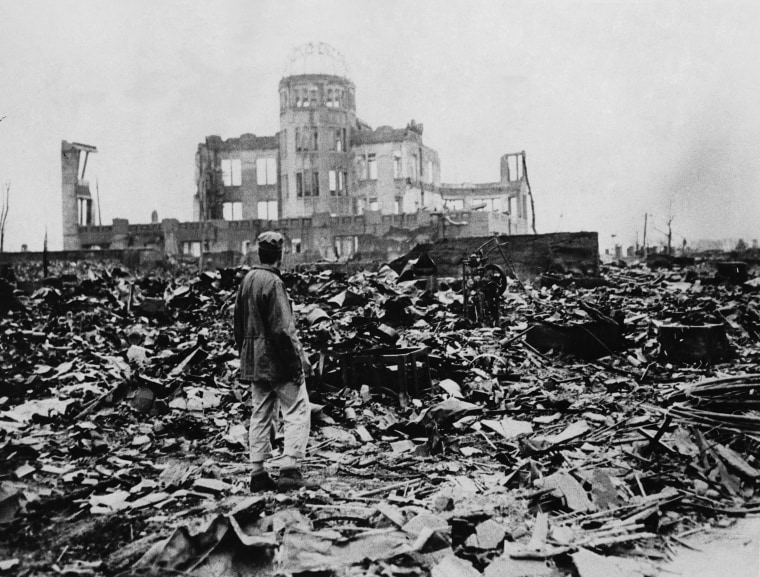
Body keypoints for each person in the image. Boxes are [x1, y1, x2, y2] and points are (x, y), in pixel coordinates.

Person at [234, 231, 312, 492]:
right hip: (277, 362)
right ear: (280, 255)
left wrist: (247, 354)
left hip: (254, 362)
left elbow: (238, 325)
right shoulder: (274, 283)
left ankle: (258, 473)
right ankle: (290, 469)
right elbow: (283, 330)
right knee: (297, 409)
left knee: (261, 413)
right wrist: (296, 365)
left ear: (260, 253)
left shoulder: (247, 280)